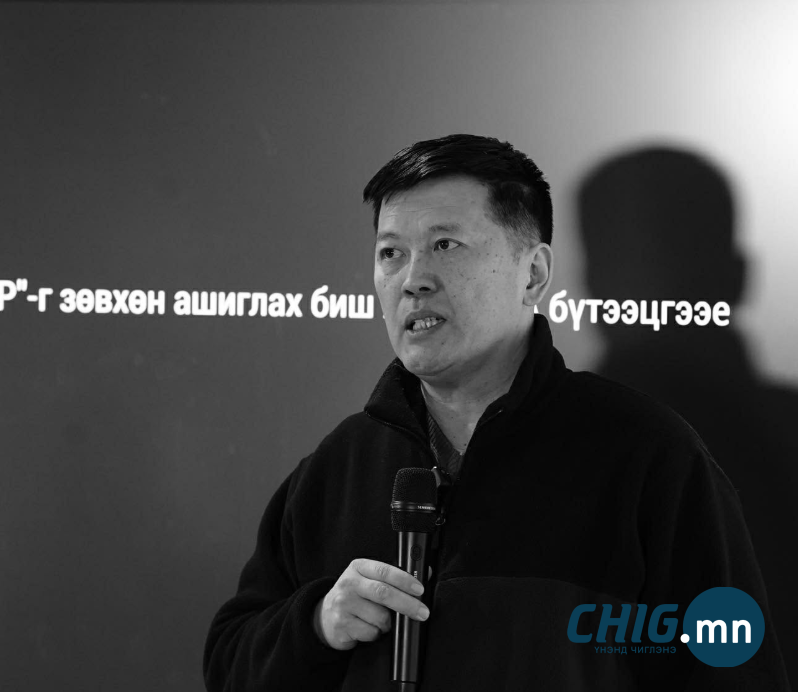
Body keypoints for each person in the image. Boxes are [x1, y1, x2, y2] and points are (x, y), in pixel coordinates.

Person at [202, 134, 790, 691]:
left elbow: (733, 667)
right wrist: (317, 624)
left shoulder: (647, 455)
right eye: (391, 253)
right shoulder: (338, 467)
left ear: (533, 274)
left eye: (445, 245)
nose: (413, 280)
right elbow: (230, 664)